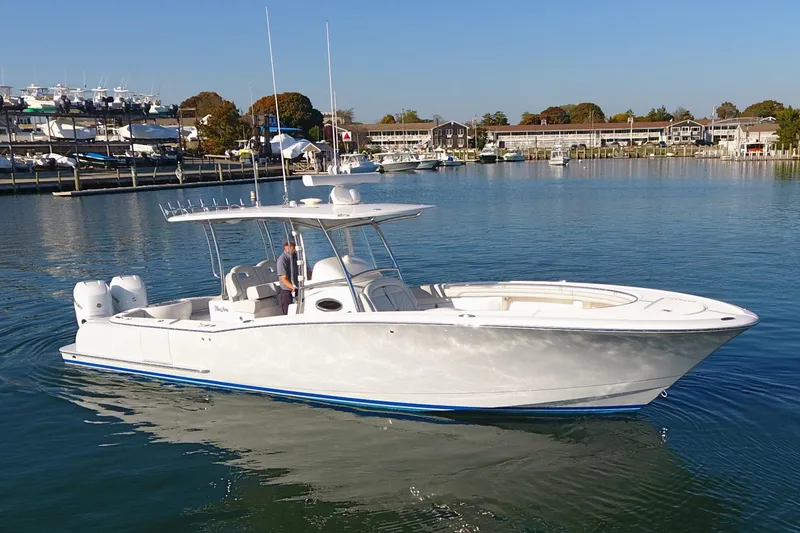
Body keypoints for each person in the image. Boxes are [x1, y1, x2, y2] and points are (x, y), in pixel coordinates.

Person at [276, 239, 298, 314]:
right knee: (288, 312)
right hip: (287, 290)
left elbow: (306, 271)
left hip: (297, 287)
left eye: (292, 245)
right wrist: (293, 287)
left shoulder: (297, 257)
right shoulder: (282, 260)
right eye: (287, 245)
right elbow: (284, 278)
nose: (289, 247)